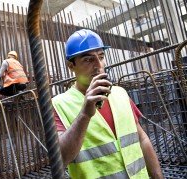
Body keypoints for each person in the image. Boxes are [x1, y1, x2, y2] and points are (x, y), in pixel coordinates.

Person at [52, 29, 163, 179]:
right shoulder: (59, 104)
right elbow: (60, 159)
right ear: (71, 65)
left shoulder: (120, 93)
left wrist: (157, 175)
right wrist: (85, 114)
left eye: (101, 56)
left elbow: (142, 138)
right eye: (88, 59)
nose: (98, 65)